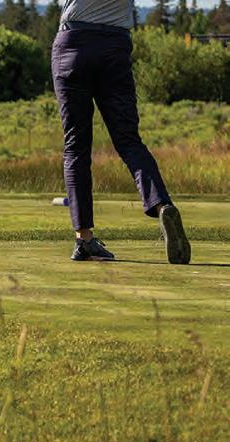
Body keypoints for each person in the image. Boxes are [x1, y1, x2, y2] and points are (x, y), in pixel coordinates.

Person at [51, 0, 191, 264]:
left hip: (73, 43)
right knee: (129, 141)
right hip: (114, 46)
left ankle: (84, 238)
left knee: (76, 147)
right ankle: (162, 204)